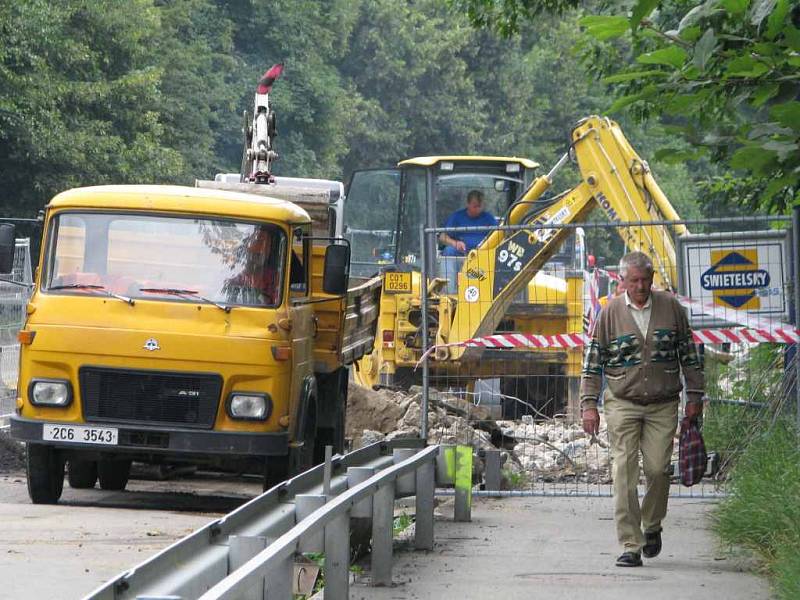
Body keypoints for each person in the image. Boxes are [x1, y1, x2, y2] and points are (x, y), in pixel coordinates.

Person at [580, 251, 704, 568]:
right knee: (623, 472)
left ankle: (652, 525)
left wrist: (695, 395)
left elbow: (690, 355)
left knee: (659, 469)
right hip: (622, 401)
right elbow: (592, 364)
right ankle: (630, 544)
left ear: (652, 279)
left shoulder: (671, 308)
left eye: (645, 280)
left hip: (663, 403)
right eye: (633, 281)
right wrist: (588, 405)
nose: (640, 286)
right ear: (622, 281)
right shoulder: (608, 315)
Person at [439, 190, 498, 256]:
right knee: (449, 250)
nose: (478, 209)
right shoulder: (457, 217)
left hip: (483, 253)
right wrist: (455, 243)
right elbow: (442, 237)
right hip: (461, 253)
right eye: (475, 206)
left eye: (480, 206)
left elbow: (498, 234)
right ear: (468, 204)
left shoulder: (489, 218)